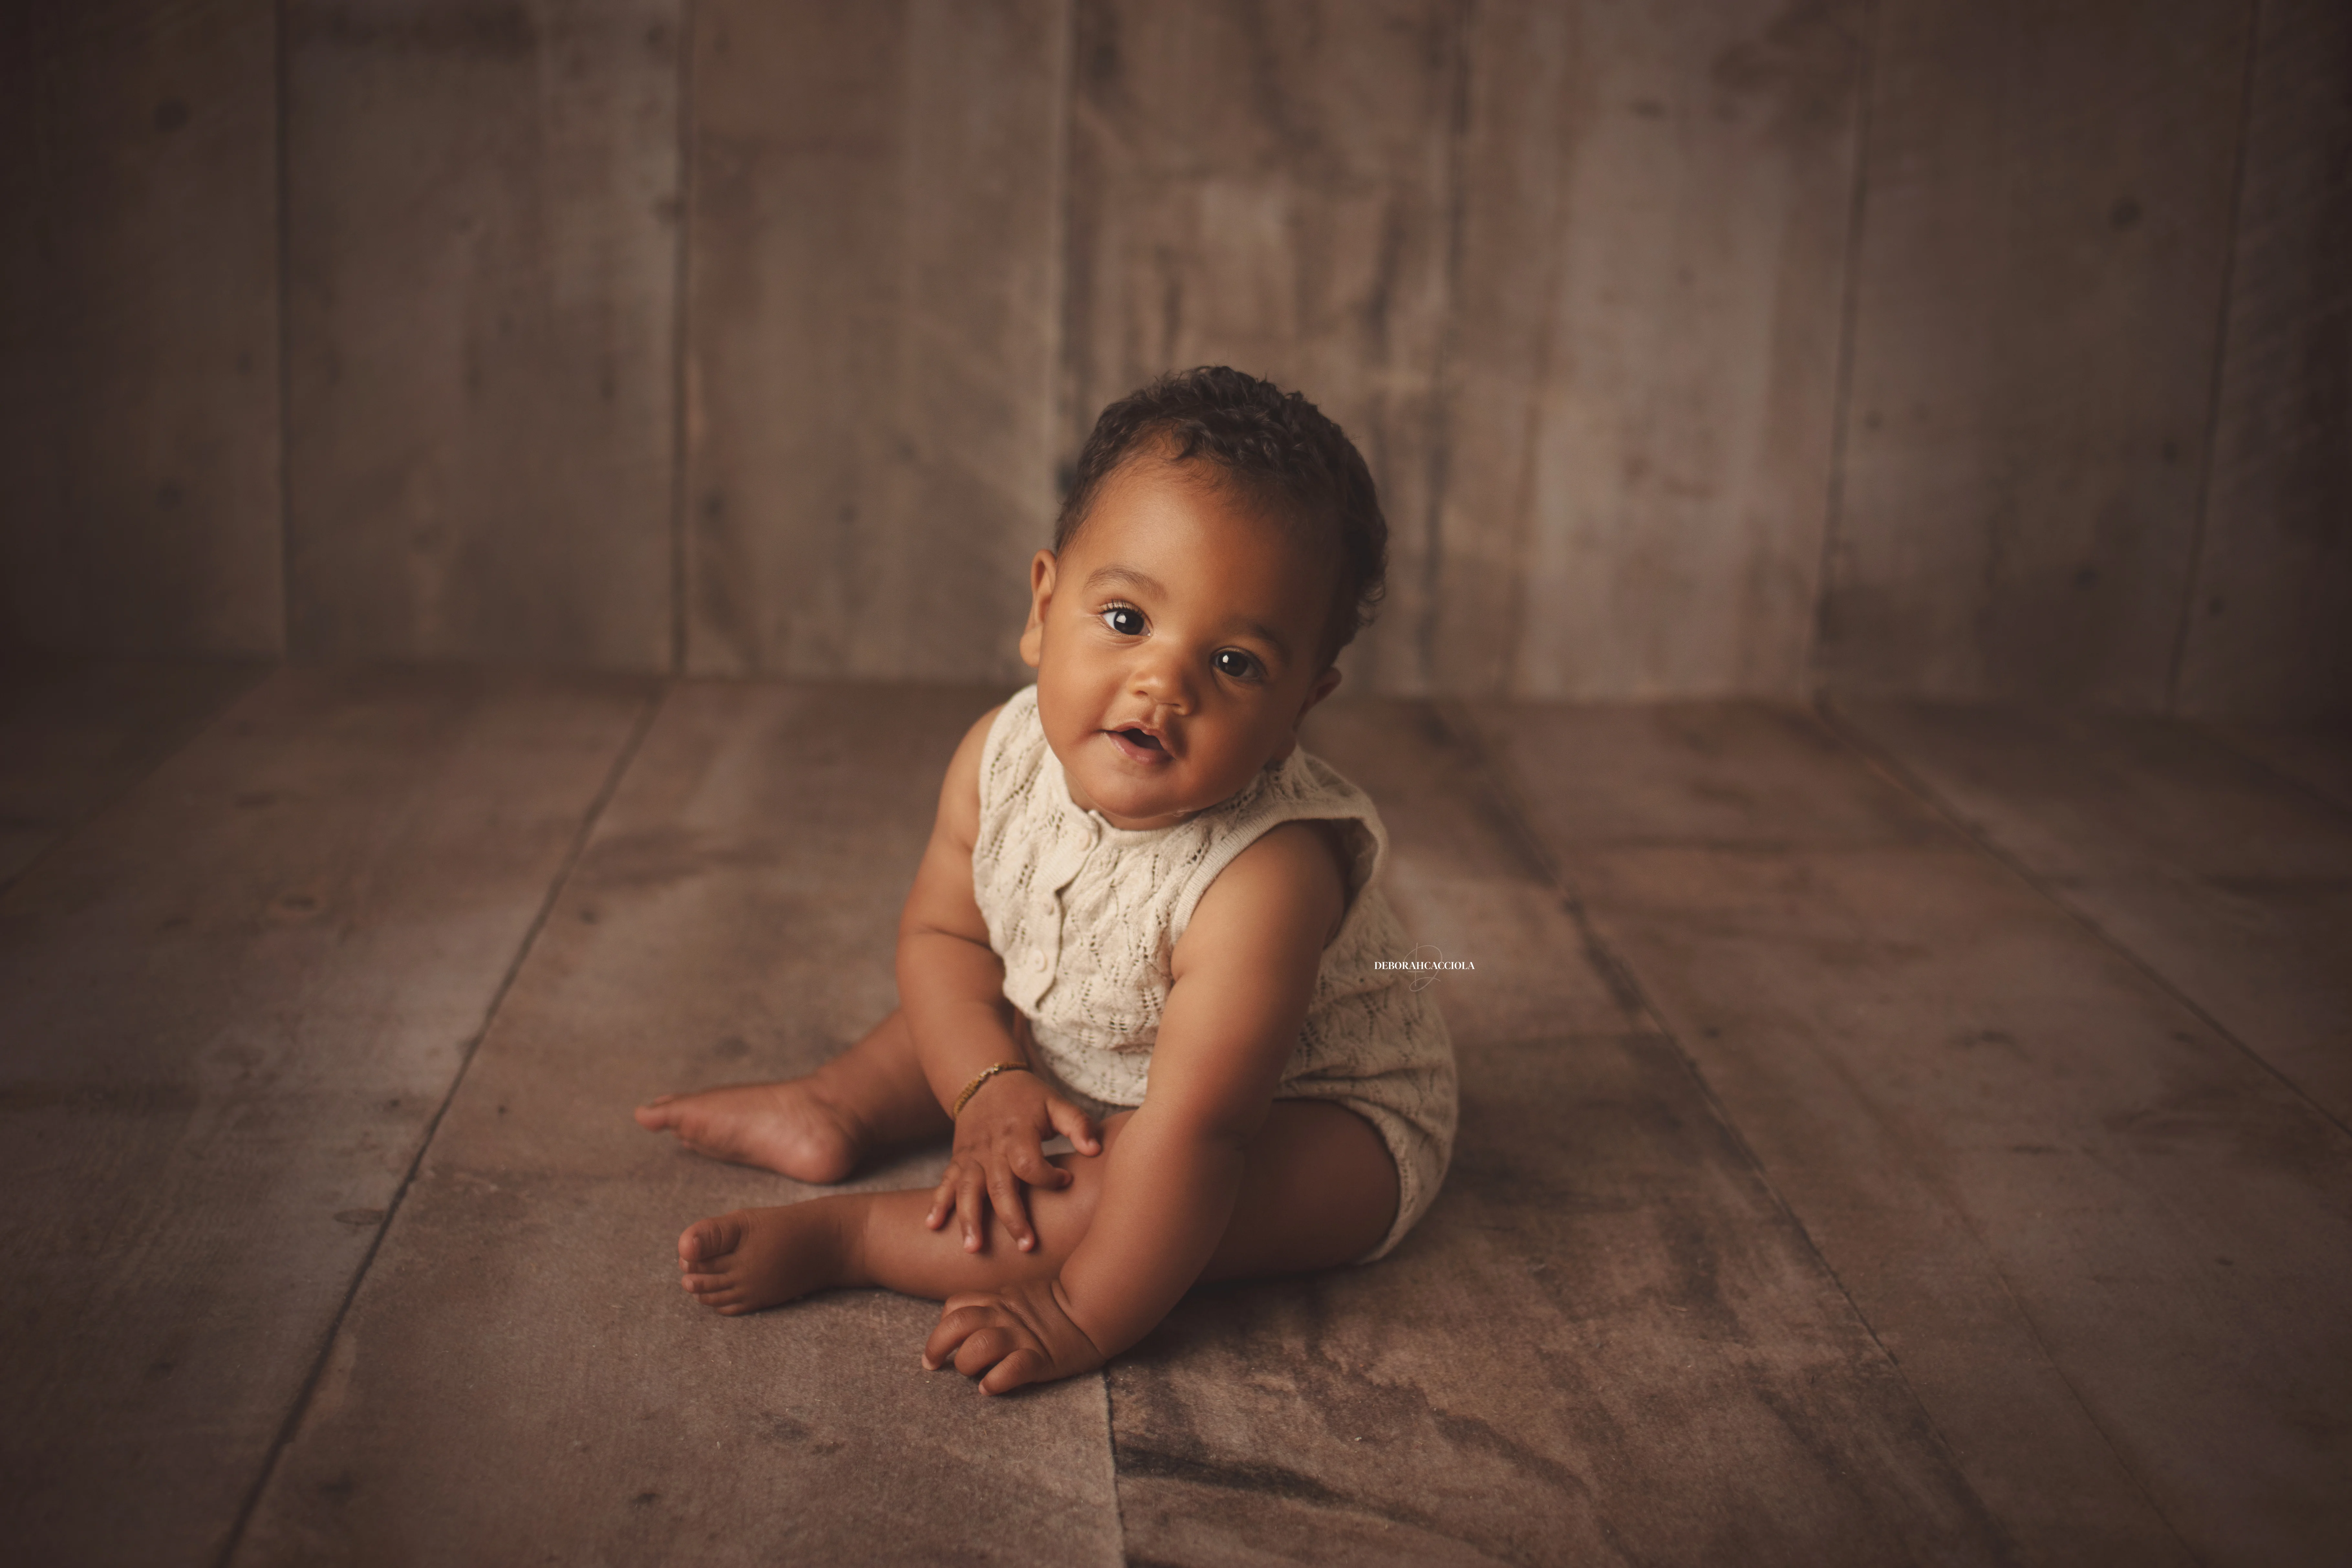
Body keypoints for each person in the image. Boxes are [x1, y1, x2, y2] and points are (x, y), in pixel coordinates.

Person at [635, 366, 1456, 1394]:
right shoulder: (1001, 753)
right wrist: (989, 1085)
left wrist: (1079, 1314)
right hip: (1098, 1045)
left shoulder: (1265, 880)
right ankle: (832, 1105)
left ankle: (859, 1241)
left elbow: (1197, 1134)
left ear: (1302, 706)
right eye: (1126, 620)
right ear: (1044, 605)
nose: (1163, 684)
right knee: (968, 1011)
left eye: (1238, 664)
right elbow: (947, 942)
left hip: (1305, 1119)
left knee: (1108, 1206)